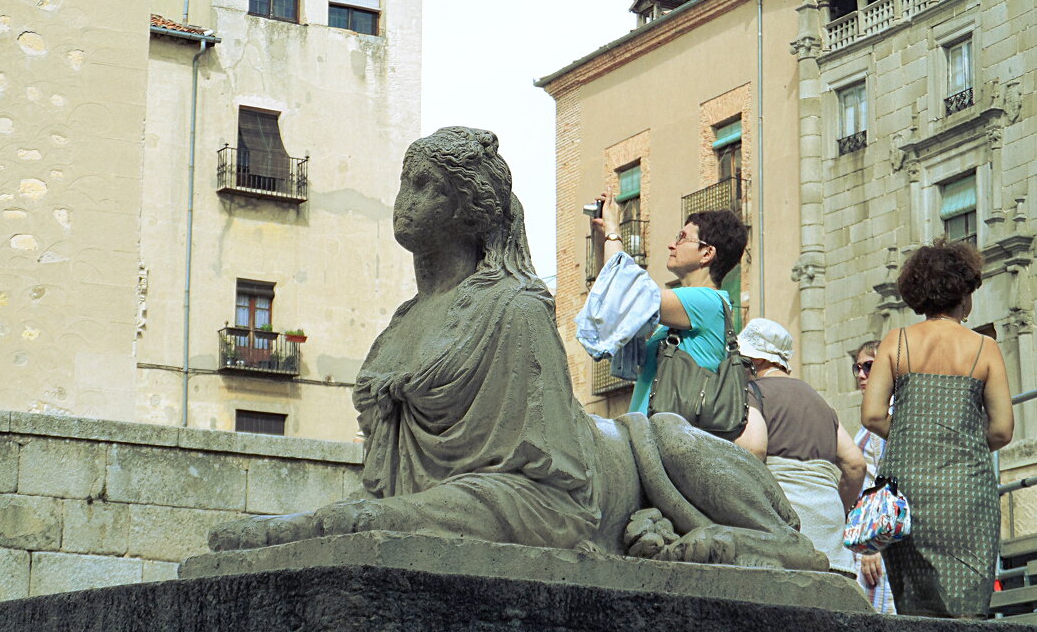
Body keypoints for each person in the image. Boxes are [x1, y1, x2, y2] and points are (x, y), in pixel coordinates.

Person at [208, 126, 829, 574]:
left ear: (470, 210)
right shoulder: (402, 326)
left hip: (606, 472)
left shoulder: (517, 308)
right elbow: (392, 494)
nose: (406, 199)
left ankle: (774, 543)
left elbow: (546, 496)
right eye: (406, 182)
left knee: (665, 438)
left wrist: (611, 238)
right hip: (524, 482)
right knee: (364, 516)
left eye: (426, 186)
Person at [862, 238, 1014, 618]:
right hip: (967, 490)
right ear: (962, 295)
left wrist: (916, 436)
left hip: (908, 492)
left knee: (916, 610)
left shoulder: (897, 342)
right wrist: (959, 443)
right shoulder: (984, 347)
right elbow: (1002, 430)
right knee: (967, 610)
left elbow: (873, 416)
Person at [591, 193, 749, 417]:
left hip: (667, 442)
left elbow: (626, 292)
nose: (671, 244)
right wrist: (602, 238)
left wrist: (614, 230)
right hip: (652, 437)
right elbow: (613, 297)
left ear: (707, 253)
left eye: (682, 237)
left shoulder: (708, 302)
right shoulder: (678, 319)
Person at [738, 318, 867, 576]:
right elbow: (855, 464)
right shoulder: (819, 401)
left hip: (785, 537)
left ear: (758, 360)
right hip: (830, 542)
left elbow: (754, 449)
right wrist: (839, 508)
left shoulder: (752, 393)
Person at [851, 339, 896, 613]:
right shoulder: (873, 415)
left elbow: (887, 481)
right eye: (856, 367)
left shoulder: (888, 414)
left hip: (880, 540)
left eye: (868, 366)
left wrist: (873, 545)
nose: (860, 374)